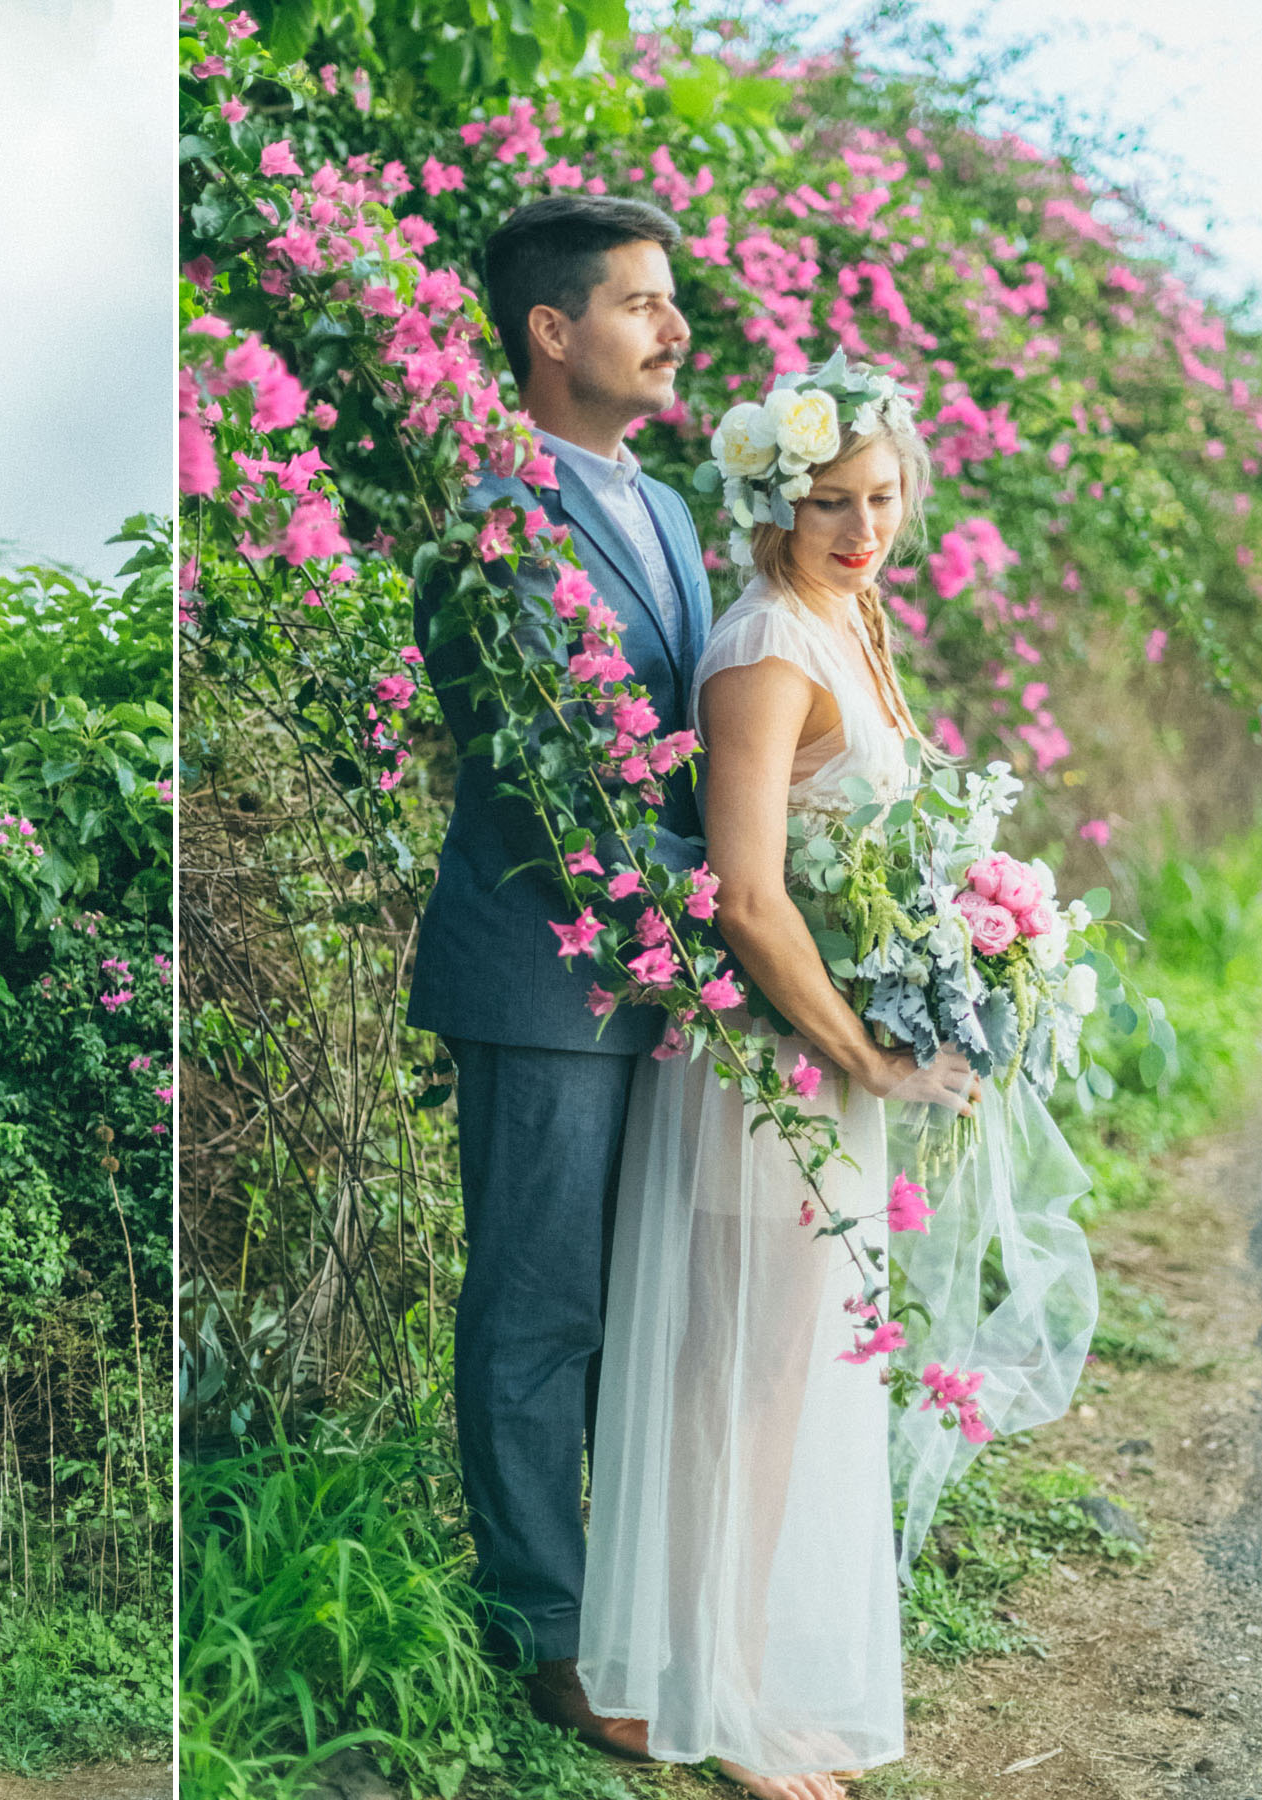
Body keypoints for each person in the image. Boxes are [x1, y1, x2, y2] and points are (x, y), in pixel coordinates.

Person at [577, 367, 980, 1798]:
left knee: (781, 1378)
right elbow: (746, 895)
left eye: (879, 498)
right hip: (767, 1064)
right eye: (828, 504)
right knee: (734, 1383)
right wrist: (861, 1051)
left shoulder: (853, 619)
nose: (861, 526)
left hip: (830, 1060)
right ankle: (713, 1693)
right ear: (770, 502)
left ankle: (733, 1663)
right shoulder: (763, 648)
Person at [405, 192, 712, 1756]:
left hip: (677, 976)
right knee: (537, 1310)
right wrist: (710, 916)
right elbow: (549, 783)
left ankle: (640, 1597)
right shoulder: (486, 520)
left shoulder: (662, 512)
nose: (673, 328)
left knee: (649, 1304)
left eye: (670, 302)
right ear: (549, 329)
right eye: (641, 303)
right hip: (548, 973)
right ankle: (541, 1623)